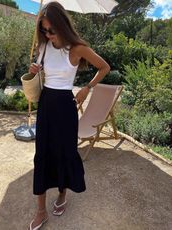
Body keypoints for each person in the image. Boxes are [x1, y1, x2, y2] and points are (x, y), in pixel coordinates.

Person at [28, 2, 110, 229]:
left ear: (62, 26)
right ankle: (41, 210)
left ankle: (62, 195)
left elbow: (104, 67)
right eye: (43, 30)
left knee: (63, 152)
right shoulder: (43, 46)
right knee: (42, 154)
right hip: (46, 104)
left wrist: (87, 88)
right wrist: (35, 70)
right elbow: (41, 72)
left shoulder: (77, 48)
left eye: (51, 30)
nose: (47, 34)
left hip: (65, 106)